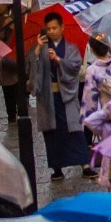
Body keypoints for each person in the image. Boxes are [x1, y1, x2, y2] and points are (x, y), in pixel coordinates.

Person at [29, 12, 89, 181]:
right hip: (48, 97)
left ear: (62, 28)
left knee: (74, 129)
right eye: (48, 29)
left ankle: (84, 163)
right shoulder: (41, 48)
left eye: (55, 28)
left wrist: (59, 60)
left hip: (67, 96)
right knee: (53, 133)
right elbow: (32, 71)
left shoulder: (70, 48)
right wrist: (38, 49)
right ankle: (57, 168)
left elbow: (75, 66)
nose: (52, 31)